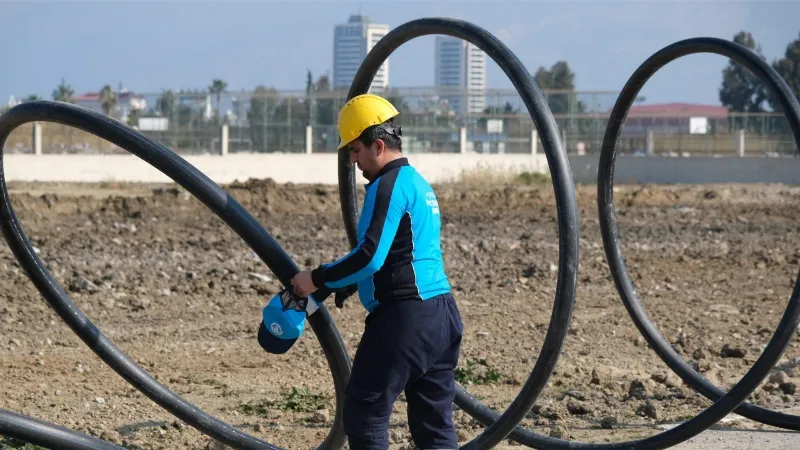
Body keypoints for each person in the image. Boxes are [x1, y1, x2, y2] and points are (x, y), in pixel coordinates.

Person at [291, 94, 463, 450]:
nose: (353, 161)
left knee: (363, 413)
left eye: (355, 150)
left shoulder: (389, 185)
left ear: (378, 145)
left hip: (405, 319)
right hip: (442, 316)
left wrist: (316, 278)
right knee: (433, 425)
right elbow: (404, 251)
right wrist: (351, 284)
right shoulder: (418, 182)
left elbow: (370, 255)